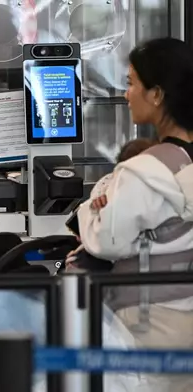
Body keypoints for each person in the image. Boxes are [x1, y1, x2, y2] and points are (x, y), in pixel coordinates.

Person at [77, 37, 193, 391]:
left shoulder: (142, 171)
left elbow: (105, 240)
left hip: (140, 329)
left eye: (131, 83)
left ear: (156, 94)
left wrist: (92, 204)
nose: (126, 94)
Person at [65, 137, 156, 272]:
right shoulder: (107, 185)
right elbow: (88, 227)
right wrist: (96, 211)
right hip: (104, 254)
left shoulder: (160, 190)